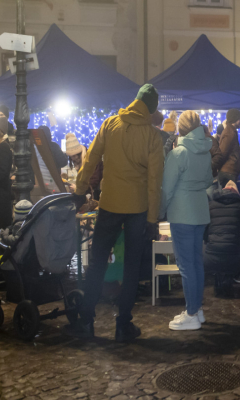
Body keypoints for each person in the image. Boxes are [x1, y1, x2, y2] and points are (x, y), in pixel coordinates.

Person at [64, 84, 165, 342]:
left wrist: (81, 189)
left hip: (109, 204)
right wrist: (152, 219)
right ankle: (123, 324)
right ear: (151, 109)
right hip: (137, 209)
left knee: (97, 261)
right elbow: (154, 182)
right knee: (131, 267)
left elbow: (92, 159)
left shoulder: (110, 124)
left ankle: (87, 319)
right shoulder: (153, 137)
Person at [159, 111, 213, 331]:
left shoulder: (178, 154)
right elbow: (209, 180)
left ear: (180, 128)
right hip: (200, 212)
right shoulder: (205, 151)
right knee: (195, 263)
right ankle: (196, 309)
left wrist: (160, 211)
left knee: (185, 265)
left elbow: (167, 189)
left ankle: (191, 313)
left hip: (182, 214)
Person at [205, 179, 240, 297]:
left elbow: (203, 231)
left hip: (210, 259)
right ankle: (229, 278)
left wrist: (210, 240)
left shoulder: (210, 206)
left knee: (211, 255)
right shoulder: (239, 206)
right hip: (233, 258)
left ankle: (220, 278)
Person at [212, 108, 240, 183]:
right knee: (228, 194)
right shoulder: (230, 133)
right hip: (228, 172)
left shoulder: (230, 131)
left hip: (228, 171)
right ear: (234, 119)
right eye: (239, 119)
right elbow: (222, 153)